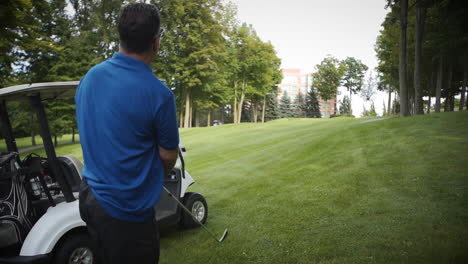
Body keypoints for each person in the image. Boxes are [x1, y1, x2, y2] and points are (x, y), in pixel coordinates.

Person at [75, 3, 179, 264]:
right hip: (125, 210)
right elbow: (168, 155)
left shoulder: (90, 78)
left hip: (90, 198)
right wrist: (159, 178)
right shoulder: (159, 94)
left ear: (120, 37)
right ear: (155, 43)